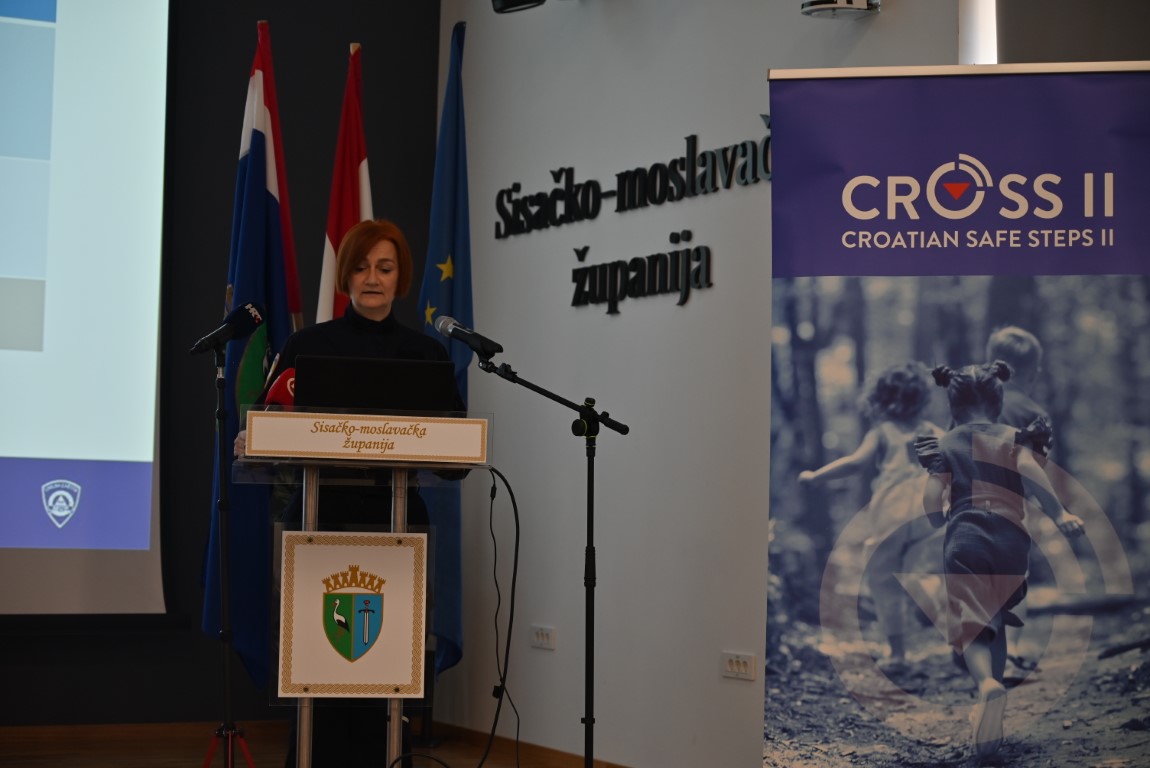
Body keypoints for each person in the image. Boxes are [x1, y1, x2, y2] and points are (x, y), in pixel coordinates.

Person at [235, 218, 461, 768]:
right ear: (345, 276)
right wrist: (254, 436)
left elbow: (454, 455)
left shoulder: (426, 355)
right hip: (320, 523)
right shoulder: (307, 346)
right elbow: (268, 425)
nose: (372, 278)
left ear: (400, 276)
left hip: (397, 527)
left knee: (387, 670)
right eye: (361, 267)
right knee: (321, 672)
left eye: (384, 267)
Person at [916, 361, 1084, 761]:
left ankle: (985, 686)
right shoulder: (1013, 437)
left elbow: (931, 495)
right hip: (1011, 541)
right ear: (998, 402)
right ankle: (995, 704)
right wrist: (1060, 514)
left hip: (966, 538)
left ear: (953, 405)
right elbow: (1029, 470)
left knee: (974, 619)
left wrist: (938, 519)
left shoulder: (946, 443)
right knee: (998, 615)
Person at [798, 362, 944, 672]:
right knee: (921, 569)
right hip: (928, 513)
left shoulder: (882, 433)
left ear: (880, 399)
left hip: (891, 514)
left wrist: (816, 477)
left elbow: (855, 463)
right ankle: (929, 601)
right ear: (922, 398)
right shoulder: (934, 432)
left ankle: (898, 654)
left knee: (883, 579)